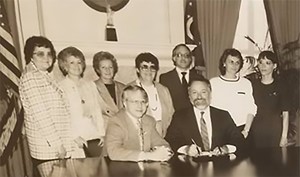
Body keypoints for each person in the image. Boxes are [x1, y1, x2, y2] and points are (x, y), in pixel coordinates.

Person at [19, 36, 74, 177]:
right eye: (40, 54)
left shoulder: (44, 75)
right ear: (30, 56)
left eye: (49, 53)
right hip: (48, 148)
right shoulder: (30, 77)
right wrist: (57, 145)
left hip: (56, 146)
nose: (46, 58)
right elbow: (41, 115)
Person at [165, 77, 245, 157]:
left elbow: (238, 139)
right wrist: (186, 149)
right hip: (191, 166)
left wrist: (226, 149)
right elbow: (171, 140)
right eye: (194, 93)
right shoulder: (180, 116)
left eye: (203, 92)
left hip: (220, 165)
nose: (199, 96)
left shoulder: (223, 115)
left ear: (210, 94)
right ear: (189, 96)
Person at [58, 46, 105, 157]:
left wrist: (101, 133)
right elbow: (62, 116)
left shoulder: (90, 85)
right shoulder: (60, 87)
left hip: (93, 135)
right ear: (64, 66)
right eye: (72, 63)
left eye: (79, 62)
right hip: (74, 137)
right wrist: (74, 136)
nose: (76, 66)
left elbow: (97, 111)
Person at [106, 85, 173, 162]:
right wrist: (148, 156)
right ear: (125, 103)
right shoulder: (116, 121)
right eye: (135, 101)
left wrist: (162, 151)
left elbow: (161, 143)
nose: (140, 106)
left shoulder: (149, 120)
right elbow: (113, 152)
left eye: (143, 101)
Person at [210, 48, 257, 138]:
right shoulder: (213, 83)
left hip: (242, 130)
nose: (234, 65)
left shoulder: (246, 83)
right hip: (221, 131)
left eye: (237, 62)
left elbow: (251, 108)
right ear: (224, 63)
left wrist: (246, 130)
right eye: (231, 62)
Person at [127, 52, 174, 137]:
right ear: (137, 69)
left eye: (152, 67)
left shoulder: (163, 89)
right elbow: (126, 118)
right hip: (138, 137)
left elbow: (170, 114)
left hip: (162, 136)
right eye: (144, 67)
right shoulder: (129, 89)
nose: (149, 71)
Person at [250, 51, 289, 148]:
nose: (263, 66)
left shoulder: (281, 86)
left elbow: (285, 113)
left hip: (275, 130)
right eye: (260, 62)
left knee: (275, 161)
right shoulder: (252, 85)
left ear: (274, 66)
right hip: (256, 130)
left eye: (267, 63)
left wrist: (284, 137)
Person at [159, 43, 205, 111]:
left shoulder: (199, 78)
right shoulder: (165, 78)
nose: (183, 58)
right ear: (174, 58)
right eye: (179, 55)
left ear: (190, 59)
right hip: (175, 118)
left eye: (186, 55)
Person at [93, 51, 125, 128]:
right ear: (98, 69)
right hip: (103, 130)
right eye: (103, 67)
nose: (107, 70)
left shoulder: (123, 87)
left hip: (122, 130)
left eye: (110, 67)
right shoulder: (92, 87)